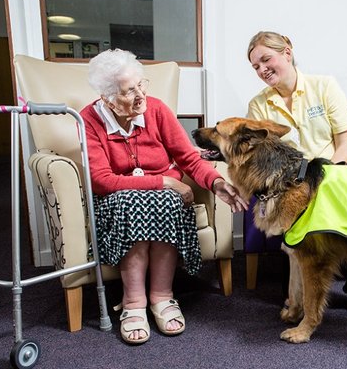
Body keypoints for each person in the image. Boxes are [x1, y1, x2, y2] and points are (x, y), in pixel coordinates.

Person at [81, 49, 247, 344]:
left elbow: (189, 159)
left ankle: (161, 296)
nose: (140, 95)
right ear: (107, 99)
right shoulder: (89, 120)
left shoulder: (157, 110)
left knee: (169, 203)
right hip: (117, 199)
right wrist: (164, 182)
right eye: (129, 91)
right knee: (132, 202)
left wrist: (217, 183)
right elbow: (101, 181)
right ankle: (133, 302)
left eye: (141, 84)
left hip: (165, 199)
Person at [245, 31, 347, 324]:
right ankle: (302, 294)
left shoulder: (324, 86)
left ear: (287, 52)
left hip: (331, 173)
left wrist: (328, 177)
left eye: (266, 59)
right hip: (289, 185)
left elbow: (345, 142)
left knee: (343, 214)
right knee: (300, 257)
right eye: (255, 66)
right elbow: (261, 159)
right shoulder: (258, 105)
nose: (262, 69)